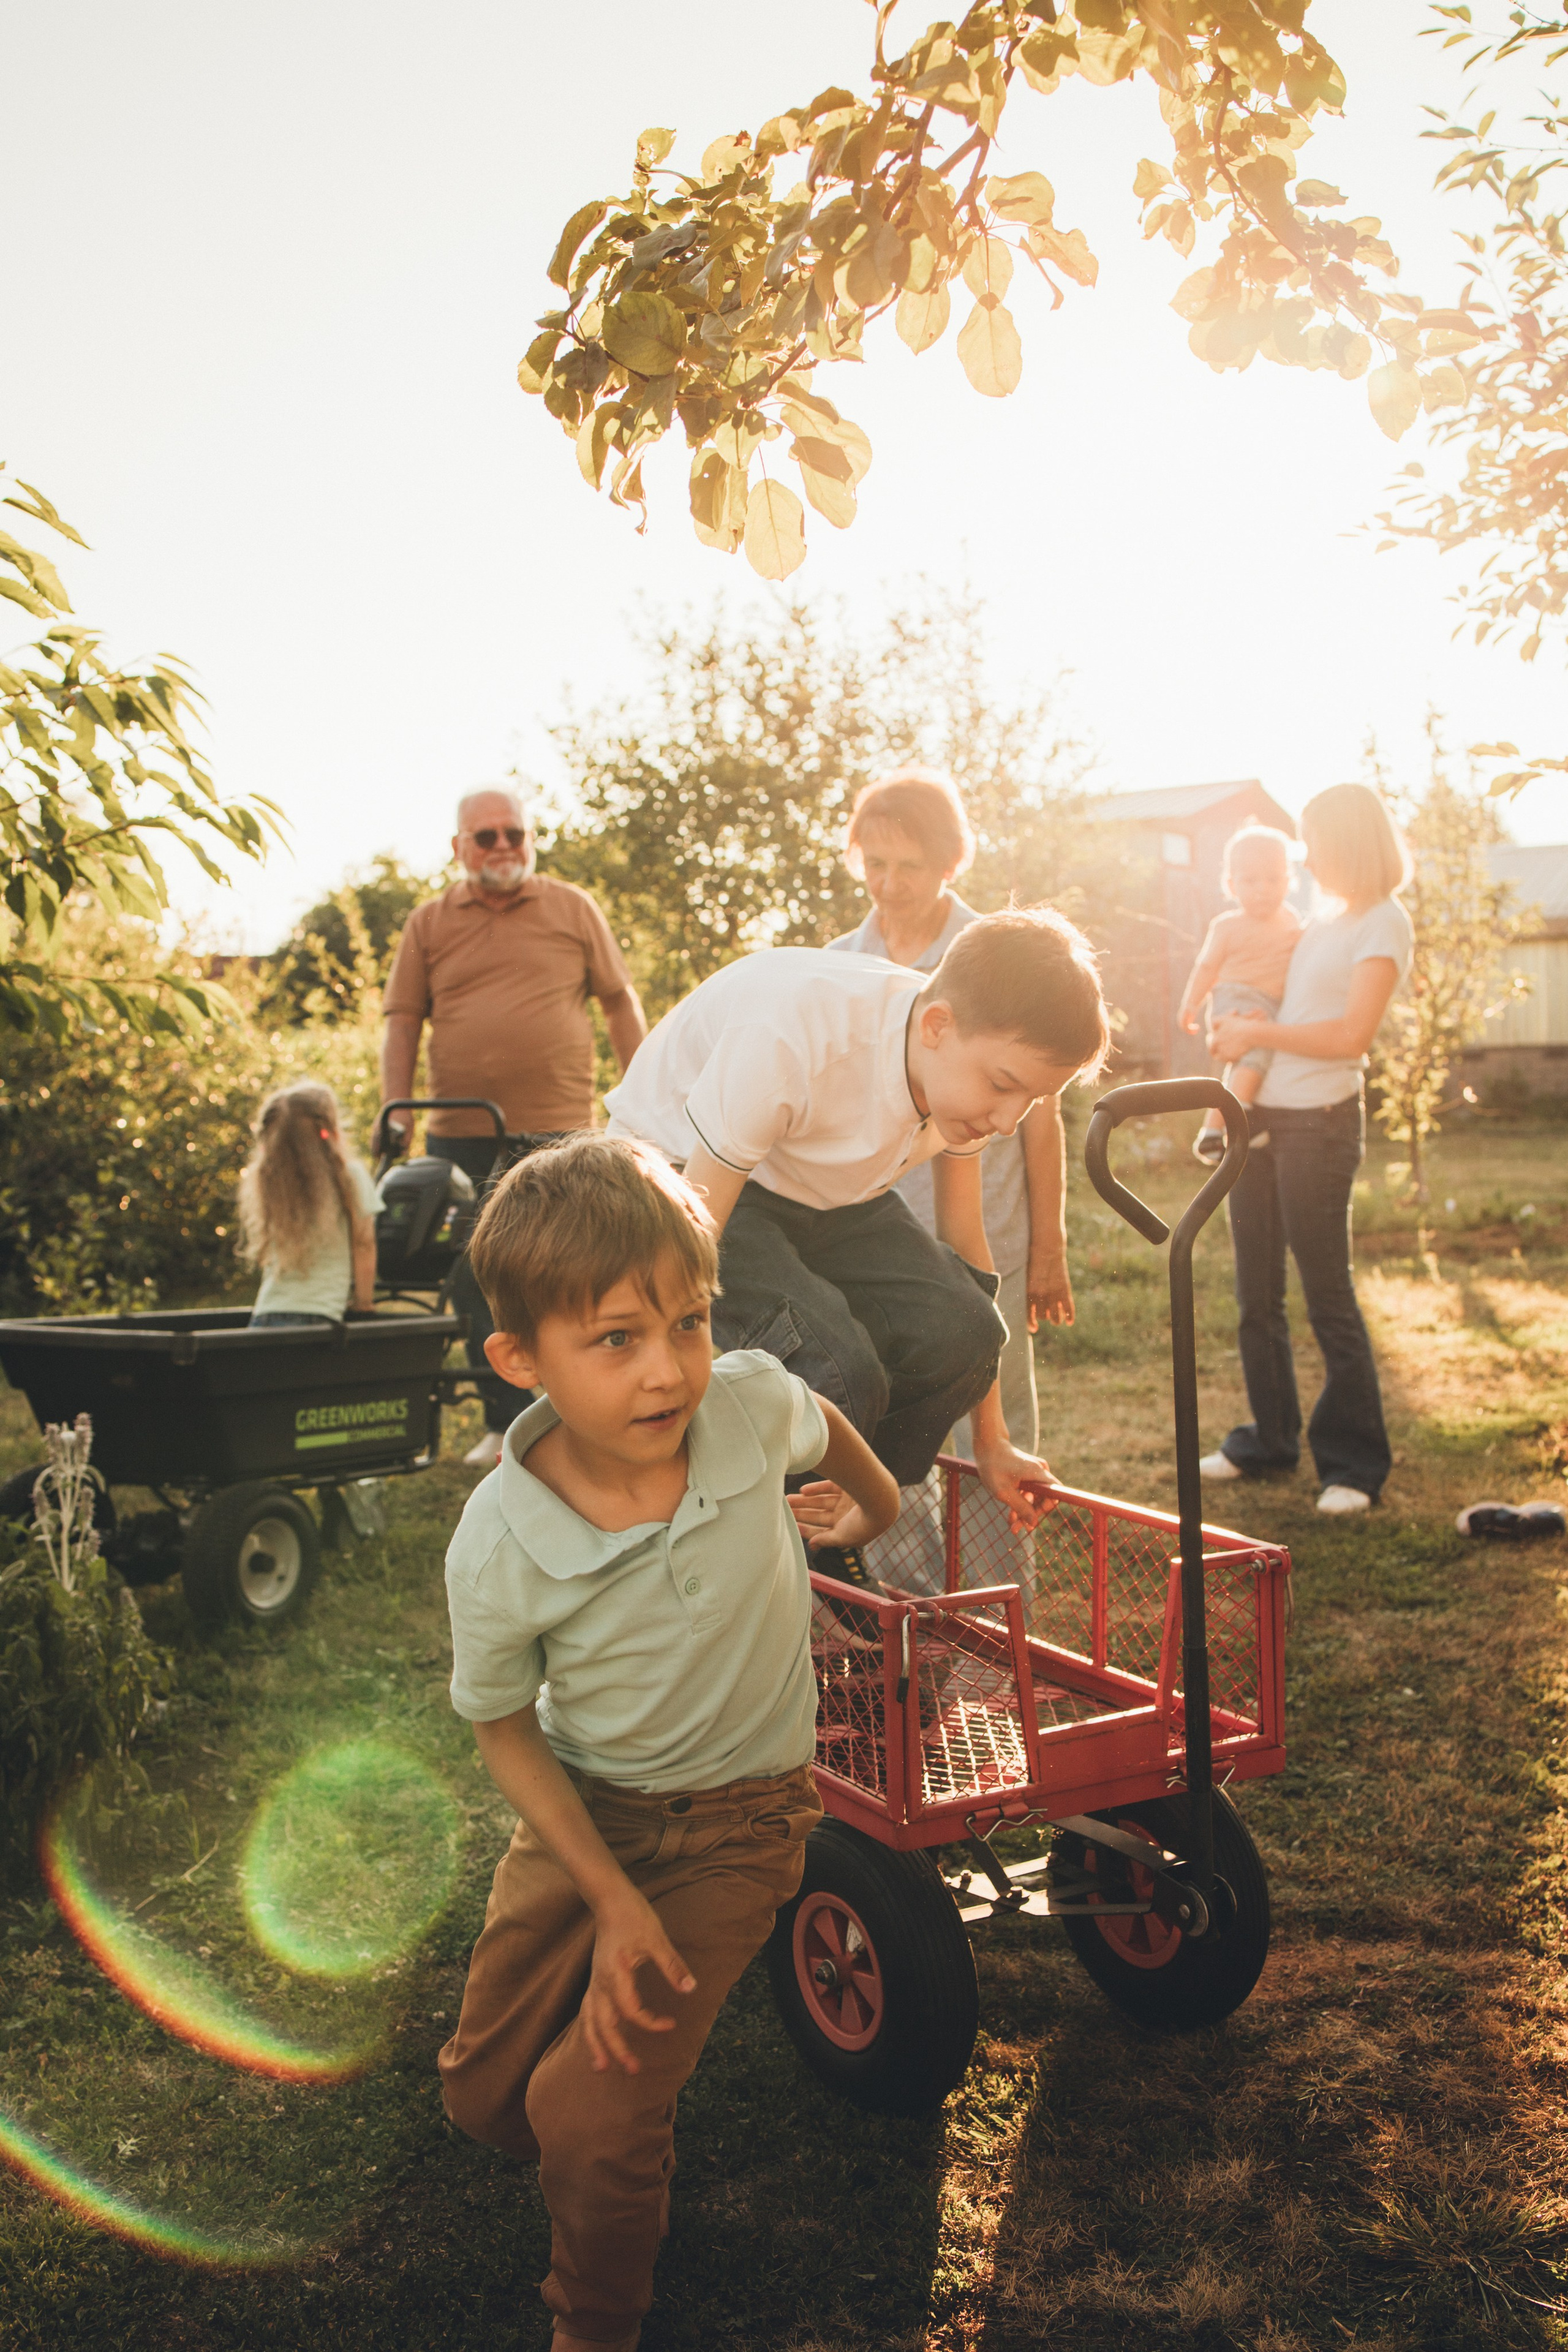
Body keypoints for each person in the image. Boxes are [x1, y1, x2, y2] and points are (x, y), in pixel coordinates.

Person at [436, 1134, 899, 2350]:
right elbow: (500, 1727)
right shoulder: (502, 1539)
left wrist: (877, 1505)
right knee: (486, 2095)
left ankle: (594, 2317)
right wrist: (605, 1895)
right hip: (589, 1810)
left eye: (686, 1323)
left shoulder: (742, 1403)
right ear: (518, 1359)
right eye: (614, 1339)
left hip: (744, 1822)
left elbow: (817, 1418)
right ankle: (581, 2108)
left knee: (590, 2114)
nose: (667, 1372)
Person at [603, 907, 1111, 1529]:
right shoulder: (797, 1036)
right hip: (680, 1173)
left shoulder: (961, 1079)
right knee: (838, 1370)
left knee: (966, 1331)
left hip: (812, 1183)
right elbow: (688, 1243)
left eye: (1029, 1100)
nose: (1008, 1121)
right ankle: (748, 1552)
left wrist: (990, 1440)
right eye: (1003, 1085)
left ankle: (838, 1532)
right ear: (936, 1026)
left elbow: (967, 1259)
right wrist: (630, 1393)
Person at [381, 786, 648, 1464]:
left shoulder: (571, 908)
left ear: (529, 839)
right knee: (479, 1274)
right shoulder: (429, 923)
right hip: (460, 1131)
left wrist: (645, 1095)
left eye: (514, 834)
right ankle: (505, 1425)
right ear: (458, 847)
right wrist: (394, 1114)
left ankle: (581, 1409)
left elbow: (619, 1002)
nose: (503, 847)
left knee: (573, 1271)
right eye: (486, 837)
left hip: (559, 1129)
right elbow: (403, 1021)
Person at [826, 766, 1073, 1456]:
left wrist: (1047, 1248)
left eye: (911, 865)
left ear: (950, 863)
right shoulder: (843, 964)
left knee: (995, 1414)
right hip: (877, 1229)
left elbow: (1042, 1118)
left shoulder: (996, 958)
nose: (890, 883)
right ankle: (906, 1568)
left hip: (986, 1223)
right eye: (875, 864)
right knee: (890, 1407)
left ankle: (1000, 1562)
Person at [1200, 782, 1413, 1516]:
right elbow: (1269, 996)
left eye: (1313, 839)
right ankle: (1270, 1439)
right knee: (1255, 1294)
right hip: (1261, 1120)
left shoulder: (1381, 923)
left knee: (1327, 1294)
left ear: (1347, 840)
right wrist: (1231, 1023)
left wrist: (1256, 1034)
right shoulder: (1319, 922)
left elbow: (1350, 1035)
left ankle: (1353, 1465)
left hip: (1320, 1122)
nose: (1304, 853)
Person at [1177, 824, 1303, 1162]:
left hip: (1269, 1005)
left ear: (1289, 881)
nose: (1263, 890)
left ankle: (1212, 1132)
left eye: (1273, 880)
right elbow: (1207, 968)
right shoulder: (1227, 926)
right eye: (1250, 881)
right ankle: (1238, 1117)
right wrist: (1191, 1003)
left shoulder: (1292, 921)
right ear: (1231, 886)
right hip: (1235, 998)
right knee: (1254, 1058)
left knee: (1244, 1066)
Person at [238, 1081, 379, 1327]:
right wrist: (363, 1303)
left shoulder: (269, 1182)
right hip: (318, 1316)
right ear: (329, 1130)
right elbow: (364, 1243)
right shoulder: (350, 1177)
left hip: (266, 1314)